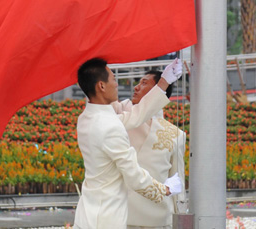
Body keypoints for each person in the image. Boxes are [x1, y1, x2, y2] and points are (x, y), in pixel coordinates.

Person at [73, 58, 183, 229]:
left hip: (87, 213)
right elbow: (134, 176)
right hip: (108, 218)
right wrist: (166, 190)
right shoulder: (110, 125)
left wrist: (163, 82)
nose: (117, 85)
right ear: (101, 86)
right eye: (113, 80)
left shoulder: (85, 118)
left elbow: (135, 116)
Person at [112, 70, 186, 229]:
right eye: (138, 82)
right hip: (123, 215)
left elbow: (176, 180)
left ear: (159, 89)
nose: (136, 87)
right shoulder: (121, 115)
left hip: (158, 219)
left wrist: (180, 215)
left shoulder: (176, 134)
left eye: (144, 83)